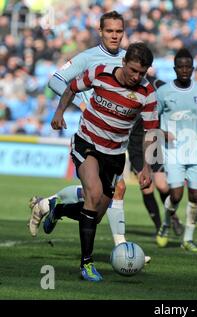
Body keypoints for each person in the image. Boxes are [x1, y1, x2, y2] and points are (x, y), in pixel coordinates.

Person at [27, 11, 166, 256]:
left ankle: (52, 205)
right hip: (92, 133)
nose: (114, 36)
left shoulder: (130, 59)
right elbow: (57, 81)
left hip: (119, 137)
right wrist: (81, 101)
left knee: (100, 202)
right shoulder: (88, 58)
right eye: (110, 31)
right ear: (100, 32)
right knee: (107, 191)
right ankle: (122, 249)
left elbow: (145, 95)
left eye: (119, 31)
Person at [46, 42, 158, 281]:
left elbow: (150, 133)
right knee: (93, 194)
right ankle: (86, 264)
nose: (137, 77)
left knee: (95, 214)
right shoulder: (100, 72)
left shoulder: (147, 94)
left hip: (115, 154)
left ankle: (59, 209)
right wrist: (59, 113)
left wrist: (146, 166)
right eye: (133, 71)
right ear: (124, 62)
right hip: (86, 142)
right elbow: (71, 88)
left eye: (142, 73)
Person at [155, 48, 197, 252]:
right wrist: (161, 132)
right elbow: (149, 119)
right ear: (174, 68)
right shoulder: (163, 92)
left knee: (195, 196)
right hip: (173, 151)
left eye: (188, 67)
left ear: (192, 69)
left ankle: (188, 239)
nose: (184, 70)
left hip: (196, 151)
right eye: (180, 67)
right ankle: (166, 224)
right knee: (176, 195)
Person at [126, 75, 184, 237]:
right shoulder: (132, 97)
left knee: (163, 186)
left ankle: (173, 218)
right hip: (136, 148)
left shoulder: (157, 87)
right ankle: (160, 227)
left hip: (153, 146)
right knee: (146, 187)